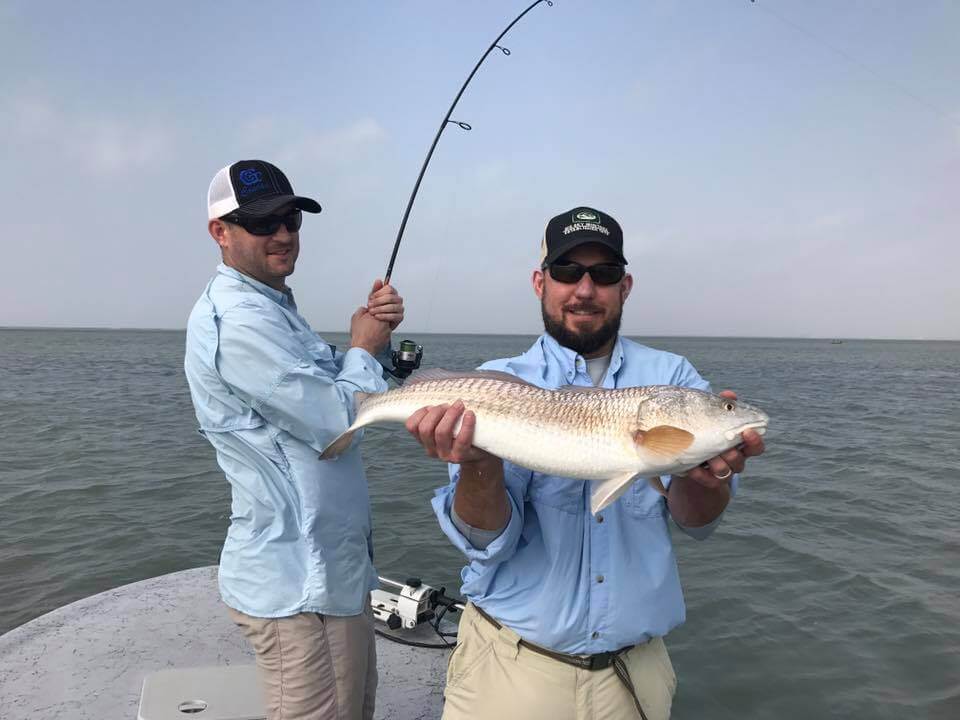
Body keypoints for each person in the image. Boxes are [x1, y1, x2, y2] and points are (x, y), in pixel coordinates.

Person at [405, 207, 766, 720]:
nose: (585, 289)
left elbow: (696, 520)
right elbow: (485, 541)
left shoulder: (674, 379)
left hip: (632, 676)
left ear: (626, 285)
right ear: (540, 282)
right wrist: (477, 465)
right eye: (568, 272)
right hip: (509, 670)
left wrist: (708, 474)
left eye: (605, 274)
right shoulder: (492, 383)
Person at [184, 159, 404, 720]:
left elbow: (329, 375)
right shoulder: (238, 320)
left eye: (291, 219)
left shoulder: (274, 309)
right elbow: (336, 421)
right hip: (298, 590)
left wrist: (370, 347)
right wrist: (363, 349)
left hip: (333, 579)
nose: (283, 234)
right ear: (220, 233)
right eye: (262, 223)